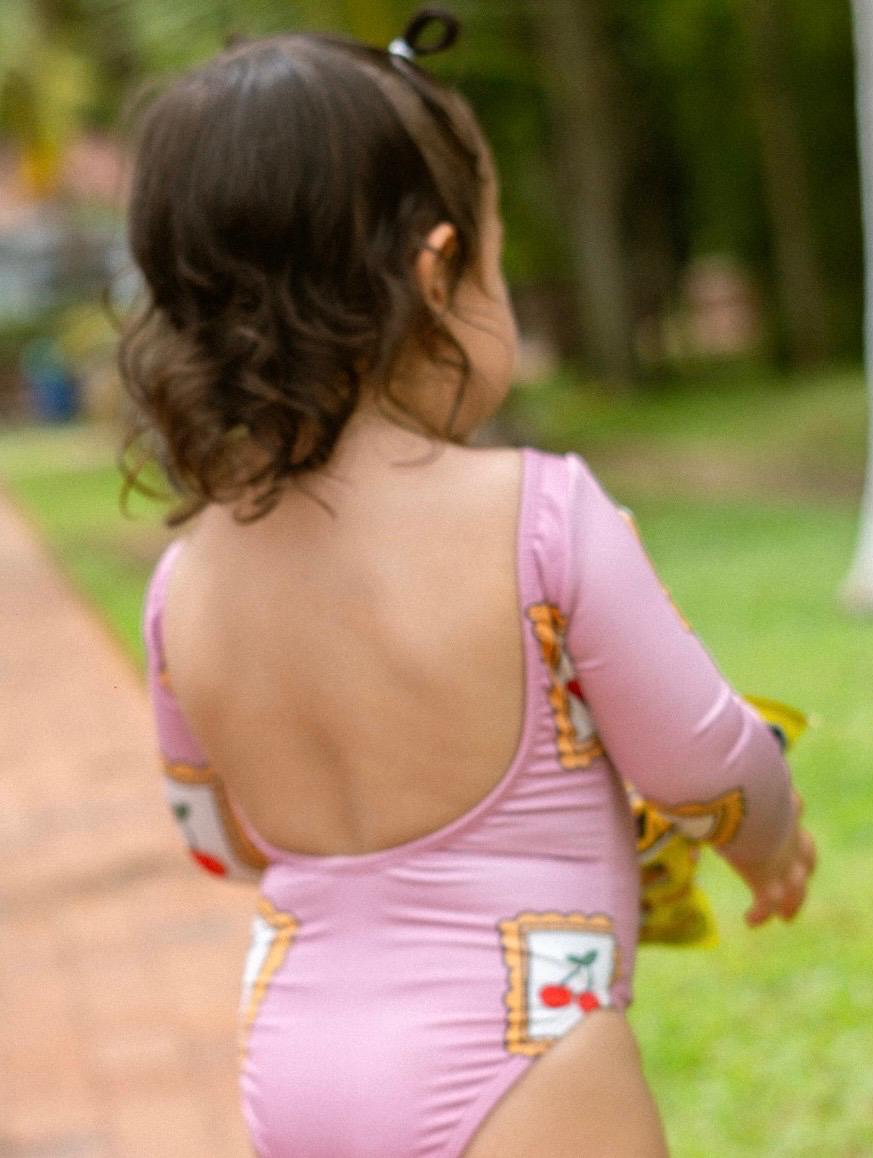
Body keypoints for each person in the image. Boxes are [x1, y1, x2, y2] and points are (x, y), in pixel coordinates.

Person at [120, 12, 816, 1157]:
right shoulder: (539, 515)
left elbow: (218, 837)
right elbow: (700, 763)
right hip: (527, 1050)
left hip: (293, 1053)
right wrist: (769, 834)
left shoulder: (184, 581)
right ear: (437, 272)